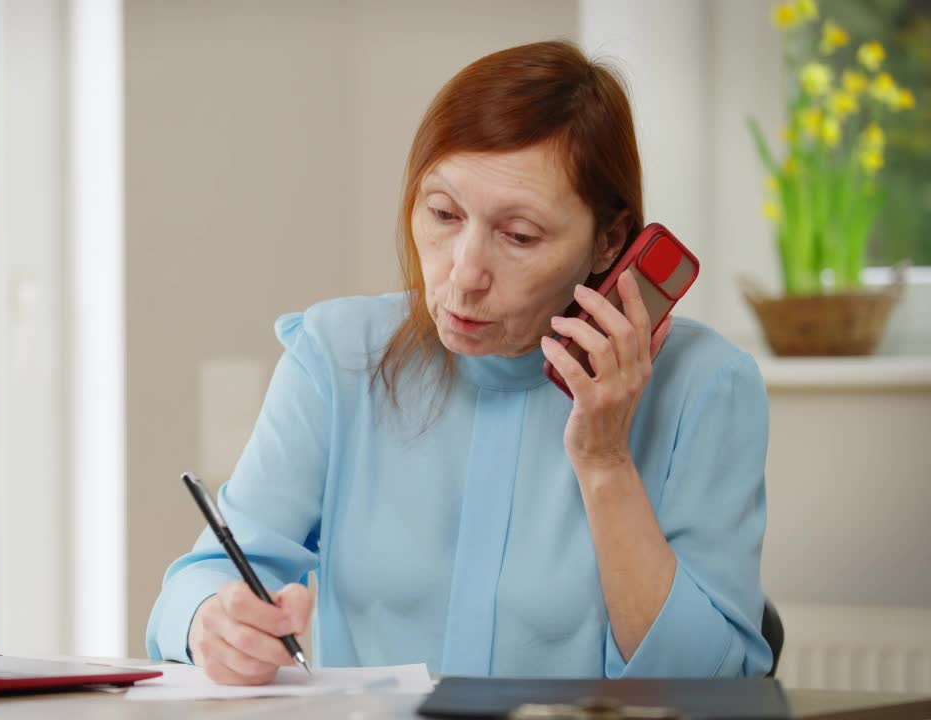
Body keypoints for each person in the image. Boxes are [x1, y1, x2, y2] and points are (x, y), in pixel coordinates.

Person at [146, 40, 773, 684]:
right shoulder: (337, 356)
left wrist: (606, 461)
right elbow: (205, 579)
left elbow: (711, 683)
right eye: (443, 213)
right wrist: (212, 624)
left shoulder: (705, 387)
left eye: (520, 235)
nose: (464, 274)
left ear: (608, 241)